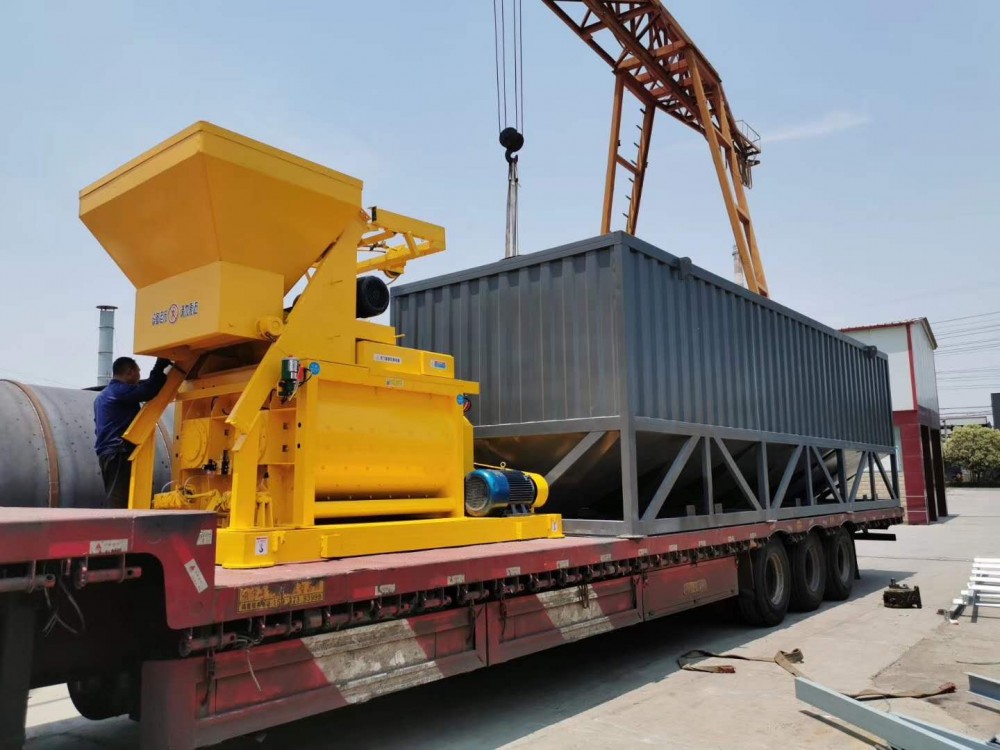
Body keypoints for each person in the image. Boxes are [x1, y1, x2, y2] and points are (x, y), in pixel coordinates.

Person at [94, 356, 171, 509]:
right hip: (119, 453)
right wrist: (158, 367)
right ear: (129, 372)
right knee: (120, 500)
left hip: (108, 454)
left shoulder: (102, 396)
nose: (139, 377)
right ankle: (118, 524)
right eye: (138, 372)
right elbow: (148, 391)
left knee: (118, 496)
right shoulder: (119, 391)